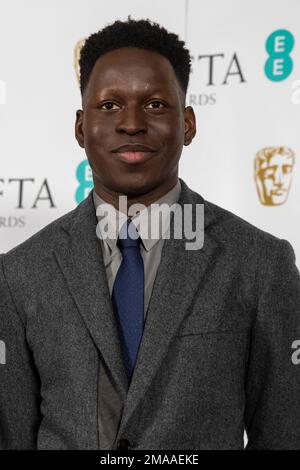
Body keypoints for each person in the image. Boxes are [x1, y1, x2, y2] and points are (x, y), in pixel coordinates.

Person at [0, 17, 299, 451]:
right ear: (81, 128)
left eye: (156, 104)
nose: (132, 123)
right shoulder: (19, 274)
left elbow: (286, 435)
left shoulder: (259, 264)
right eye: (109, 106)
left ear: (189, 124)